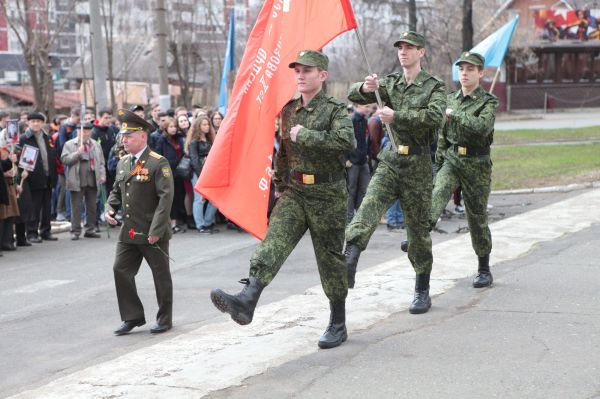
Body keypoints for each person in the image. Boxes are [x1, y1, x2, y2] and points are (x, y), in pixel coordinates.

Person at [210, 50, 355, 349]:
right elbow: (285, 152)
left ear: (323, 76)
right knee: (273, 242)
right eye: (297, 70)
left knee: (330, 261)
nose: (301, 75)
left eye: (308, 70)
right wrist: (279, 185)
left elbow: (346, 142)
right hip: (296, 191)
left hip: (328, 194)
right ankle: (247, 301)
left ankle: (337, 323)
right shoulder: (289, 111)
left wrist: (308, 136)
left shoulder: (335, 110)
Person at [344, 31, 446, 313]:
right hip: (391, 159)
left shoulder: (434, 86)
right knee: (369, 205)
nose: (403, 52)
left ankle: (421, 289)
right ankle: (350, 257)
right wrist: (366, 87)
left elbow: (435, 118)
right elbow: (353, 94)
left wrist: (397, 116)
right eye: (400, 47)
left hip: (418, 164)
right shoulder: (390, 83)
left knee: (417, 232)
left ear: (421, 53)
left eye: (409, 48)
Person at [429, 52, 498, 288]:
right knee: (437, 194)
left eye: (470, 69)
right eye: (461, 69)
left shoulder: (488, 102)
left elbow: (481, 127)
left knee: (476, 217)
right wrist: (439, 163)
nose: (465, 73)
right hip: (452, 159)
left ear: (481, 73)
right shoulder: (450, 100)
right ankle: (418, 237)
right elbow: (443, 136)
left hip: (477, 164)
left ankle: (483, 268)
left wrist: (455, 115)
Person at [104, 109, 174, 335]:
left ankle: (164, 318)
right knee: (120, 270)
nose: (124, 140)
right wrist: (109, 209)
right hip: (129, 231)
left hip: (151, 231)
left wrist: (157, 230)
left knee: (160, 275)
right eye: (123, 136)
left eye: (129, 136)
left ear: (142, 137)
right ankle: (132, 316)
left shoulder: (157, 163)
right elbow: (116, 191)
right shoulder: (124, 162)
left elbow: (166, 199)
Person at [18, 112, 59, 243]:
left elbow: (52, 154)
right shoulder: (24, 138)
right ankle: (31, 233)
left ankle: (46, 231)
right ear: (28, 123)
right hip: (32, 177)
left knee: (47, 206)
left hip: (48, 176)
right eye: (33, 121)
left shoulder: (48, 137)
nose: (36, 123)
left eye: (38, 121)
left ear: (43, 123)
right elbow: (20, 157)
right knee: (34, 206)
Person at [61, 122, 106, 240]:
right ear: (77, 131)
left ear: (90, 132)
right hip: (77, 179)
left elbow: (101, 162)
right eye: (81, 130)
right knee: (76, 206)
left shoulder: (96, 145)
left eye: (86, 131)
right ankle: (75, 231)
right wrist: (78, 153)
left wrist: (102, 175)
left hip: (92, 178)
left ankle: (90, 229)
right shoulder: (69, 144)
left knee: (92, 206)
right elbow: (65, 160)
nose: (84, 133)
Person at [188, 115, 218, 234]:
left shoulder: (211, 139)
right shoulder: (194, 142)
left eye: (207, 124)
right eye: (204, 125)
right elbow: (194, 160)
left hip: (211, 172)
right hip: (198, 173)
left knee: (214, 200)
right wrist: (201, 176)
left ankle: (207, 223)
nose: (207, 127)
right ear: (198, 127)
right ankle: (200, 225)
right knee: (200, 199)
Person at [155, 118, 186, 233]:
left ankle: (174, 222)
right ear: (166, 128)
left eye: (175, 127)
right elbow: (158, 156)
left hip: (178, 172)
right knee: (168, 198)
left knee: (177, 198)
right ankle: (167, 223)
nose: (173, 129)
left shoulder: (179, 138)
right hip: (167, 172)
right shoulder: (161, 140)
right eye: (171, 127)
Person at [346, 103, 371, 223]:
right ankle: (349, 218)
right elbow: (345, 140)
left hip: (363, 161)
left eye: (369, 106)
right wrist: (346, 159)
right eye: (365, 106)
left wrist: (367, 153)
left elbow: (365, 140)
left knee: (364, 189)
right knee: (351, 190)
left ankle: (359, 218)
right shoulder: (351, 121)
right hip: (353, 161)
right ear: (357, 106)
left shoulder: (364, 121)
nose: (368, 108)